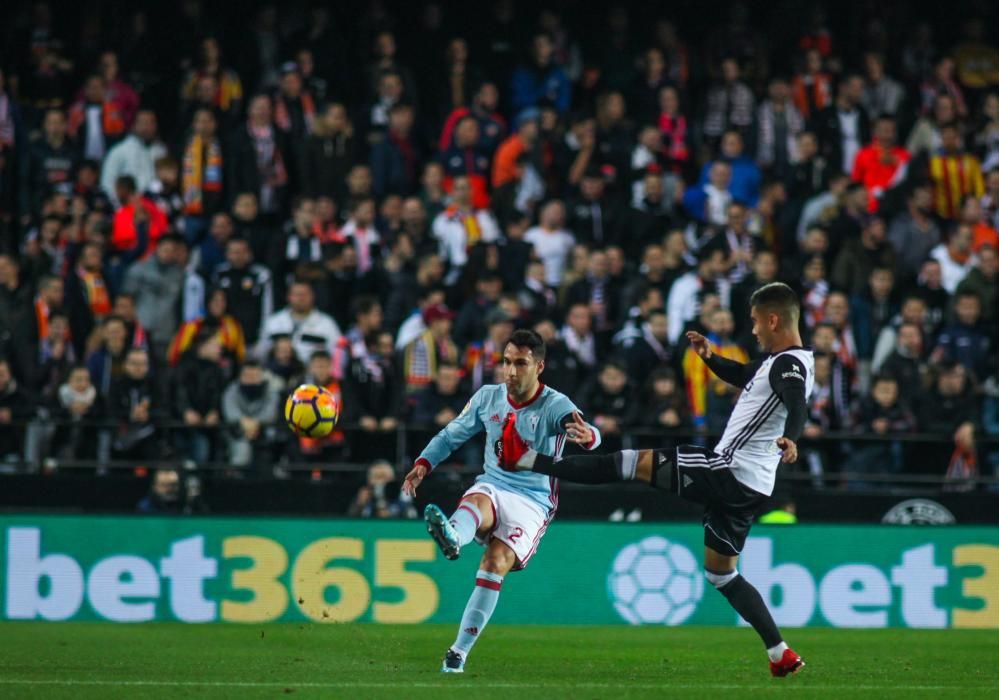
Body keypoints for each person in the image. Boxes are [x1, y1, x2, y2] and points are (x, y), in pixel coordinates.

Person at [495, 283, 812, 677]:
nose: (753, 331)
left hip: (727, 469)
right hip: (751, 488)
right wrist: (711, 357)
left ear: (773, 319)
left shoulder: (789, 366)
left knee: (627, 462)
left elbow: (795, 398)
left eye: (754, 323)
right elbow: (746, 374)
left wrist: (792, 437)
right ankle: (780, 652)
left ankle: (525, 458)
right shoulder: (781, 361)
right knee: (721, 572)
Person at [402, 329, 602, 673]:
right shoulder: (486, 397)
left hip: (533, 501)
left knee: (494, 564)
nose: (510, 372)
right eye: (506, 362)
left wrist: (590, 437)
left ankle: (458, 653)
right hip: (494, 484)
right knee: (479, 499)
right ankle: (452, 535)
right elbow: (451, 435)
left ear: (539, 366)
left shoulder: (556, 404)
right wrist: (423, 463)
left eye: (520, 364)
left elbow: (586, 431)